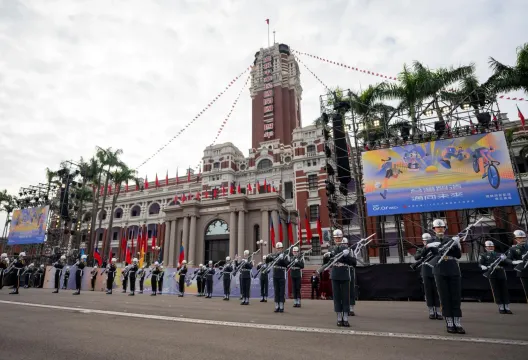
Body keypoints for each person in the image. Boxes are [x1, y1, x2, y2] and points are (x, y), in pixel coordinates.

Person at [430, 219, 465, 334]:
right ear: (434, 229)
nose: (440, 229)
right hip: (440, 270)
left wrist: (457, 244)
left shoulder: (450, 240)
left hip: (453, 269)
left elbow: (458, 256)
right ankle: (449, 322)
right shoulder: (431, 241)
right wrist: (430, 247)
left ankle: (457, 322)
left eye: (442, 227)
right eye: (437, 227)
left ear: (445, 229)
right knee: (444, 297)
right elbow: (430, 257)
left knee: (455, 296)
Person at [323, 230, 355, 327]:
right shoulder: (331, 249)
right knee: (337, 297)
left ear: (341, 238)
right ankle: (338, 317)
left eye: (339, 237)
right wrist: (325, 256)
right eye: (336, 238)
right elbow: (325, 264)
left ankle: (345, 318)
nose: (337, 239)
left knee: (345, 296)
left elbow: (353, 263)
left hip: (344, 273)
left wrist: (346, 256)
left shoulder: (347, 249)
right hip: (335, 274)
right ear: (334, 238)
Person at [479, 240, 512, 314]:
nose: (490, 248)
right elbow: (480, 263)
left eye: (491, 246)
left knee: (504, 289)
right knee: (496, 289)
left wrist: (504, 259)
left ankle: (506, 306)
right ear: (486, 247)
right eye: (489, 246)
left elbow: (506, 263)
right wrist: (483, 266)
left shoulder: (499, 254)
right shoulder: (483, 255)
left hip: (500, 272)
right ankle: (501, 306)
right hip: (492, 272)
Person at [414, 233, 442, 320]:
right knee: (428, 291)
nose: (426, 242)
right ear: (423, 241)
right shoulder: (420, 249)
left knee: (437, 291)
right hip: (425, 271)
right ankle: (431, 311)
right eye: (425, 241)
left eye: (428, 241)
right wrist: (425, 250)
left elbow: (439, 255)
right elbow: (416, 257)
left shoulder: (435, 249)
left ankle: (438, 311)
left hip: (435, 270)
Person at [266, 242, 290, 312]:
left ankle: (281, 305)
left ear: (282, 248)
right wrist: (268, 257)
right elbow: (267, 261)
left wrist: (282, 259)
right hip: (275, 274)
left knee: (281, 291)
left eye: (280, 248)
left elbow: (287, 265)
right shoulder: (274, 255)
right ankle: (277, 305)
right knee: (276, 290)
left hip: (282, 274)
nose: (278, 249)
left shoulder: (285, 256)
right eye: (277, 248)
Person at [507, 230, 528, 301]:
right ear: (515, 239)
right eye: (520, 238)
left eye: (524, 237)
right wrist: (514, 262)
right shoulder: (513, 249)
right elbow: (508, 259)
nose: (522, 239)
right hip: (523, 271)